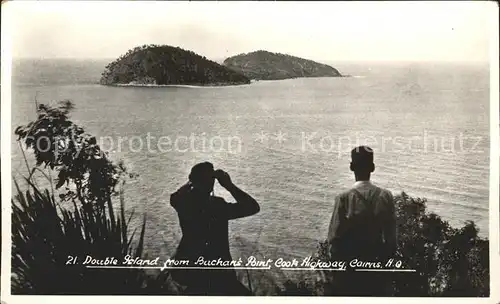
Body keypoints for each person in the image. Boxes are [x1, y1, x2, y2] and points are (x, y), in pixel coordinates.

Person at [169, 162, 260, 295]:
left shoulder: (183, 202)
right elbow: (253, 207)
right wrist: (229, 185)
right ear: (212, 182)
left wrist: (192, 181)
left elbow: (175, 195)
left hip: (189, 269)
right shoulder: (218, 207)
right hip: (219, 271)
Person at [327, 146, 397, 296]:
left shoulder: (344, 198)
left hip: (350, 271)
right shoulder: (386, 196)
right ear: (372, 168)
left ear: (351, 167)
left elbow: (334, 239)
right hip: (376, 270)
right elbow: (391, 240)